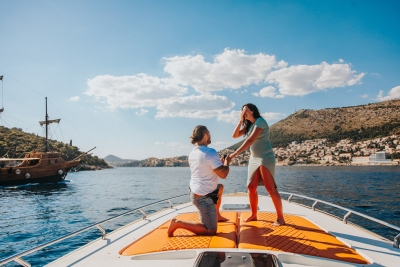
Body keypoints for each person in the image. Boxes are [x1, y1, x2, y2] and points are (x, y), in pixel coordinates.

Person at [167, 125, 231, 237]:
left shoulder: (193, 153)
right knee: (210, 231)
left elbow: (205, 167)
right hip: (203, 198)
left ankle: (217, 214)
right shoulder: (210, 152)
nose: (210, 135)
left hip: (194, 191)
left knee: (220, 188)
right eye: (209, 133)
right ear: (205, 135)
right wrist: (226, 163)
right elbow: (223, 174)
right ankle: (177, 223)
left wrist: (218, 164)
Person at [229, 103, 285, 226]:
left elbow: (250, 140)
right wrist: (240, 120)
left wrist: (235, 154)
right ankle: (254, 215)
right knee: (251, 187)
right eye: (243, 111)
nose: (244, 113)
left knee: (270, 188)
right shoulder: (249, 126)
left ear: (253, 111)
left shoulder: (260, 121)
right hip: (254, 159)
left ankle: (281, 218)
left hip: (265, 157)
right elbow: (235, 135)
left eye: (246, 110)